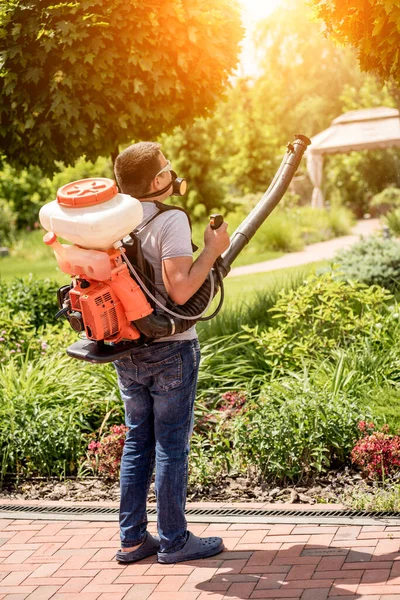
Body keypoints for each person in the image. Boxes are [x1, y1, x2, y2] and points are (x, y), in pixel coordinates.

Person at [113, 141, 230, 564]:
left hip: (126, 349)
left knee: (137, 441)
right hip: (170, 350)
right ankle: (174, 541)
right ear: (159, 181)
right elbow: (180, 289)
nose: (173, 172)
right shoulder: (171, 219)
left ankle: (131, 541)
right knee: (171, 446)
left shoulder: (114, 223)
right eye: (167, 168)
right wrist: (213, 250)